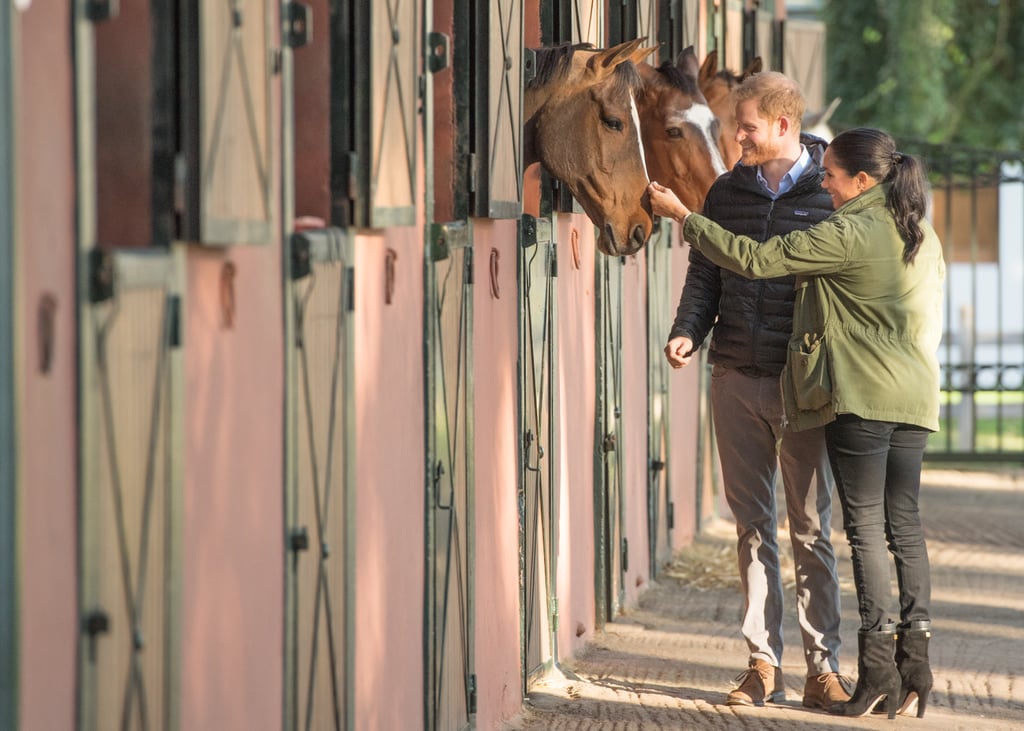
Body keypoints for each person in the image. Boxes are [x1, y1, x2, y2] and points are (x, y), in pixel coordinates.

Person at [649, 126, 943, 720]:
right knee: (904, 527)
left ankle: (877, 670)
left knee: (859, 531)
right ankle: (916, 661)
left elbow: (757, 261)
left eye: (832, 174)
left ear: (864, 181)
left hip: (860, 398)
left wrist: (684, 214)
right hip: (915, 397)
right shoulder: (921, 230)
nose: (825, 182)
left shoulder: (849, 229)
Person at [664, 70, 849, 709]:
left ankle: (823, 668)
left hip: (802, 388)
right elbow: (704, 274)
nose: (733, 136)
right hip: (734, 376)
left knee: (811, 528)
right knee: (751, 528)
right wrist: (688, 331)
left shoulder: (832, 195)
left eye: (744, 126)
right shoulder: (725, 191)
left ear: (781, 125)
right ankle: (761, 664)